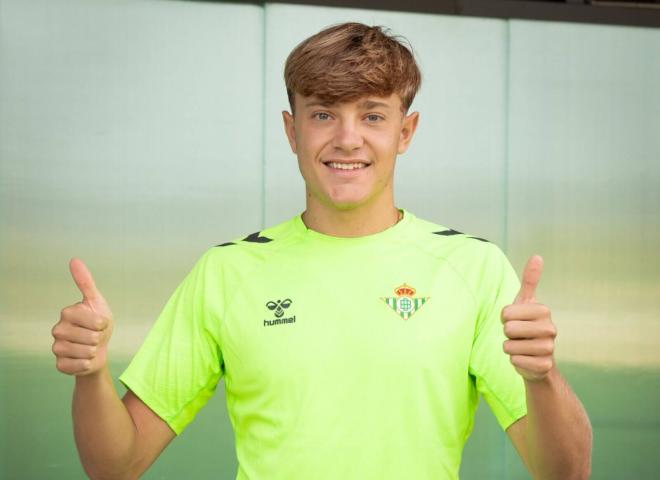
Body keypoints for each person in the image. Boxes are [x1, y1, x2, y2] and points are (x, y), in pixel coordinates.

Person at [51, 22, 592, 479]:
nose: (348, 138)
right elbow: (115, 465)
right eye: (324, 114)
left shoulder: (472, 268)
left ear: (406, 131)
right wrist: (90, 372)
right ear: (292, 131)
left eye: (373, 116)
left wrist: (541, 378)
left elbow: (566, 471)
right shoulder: (228, 271)